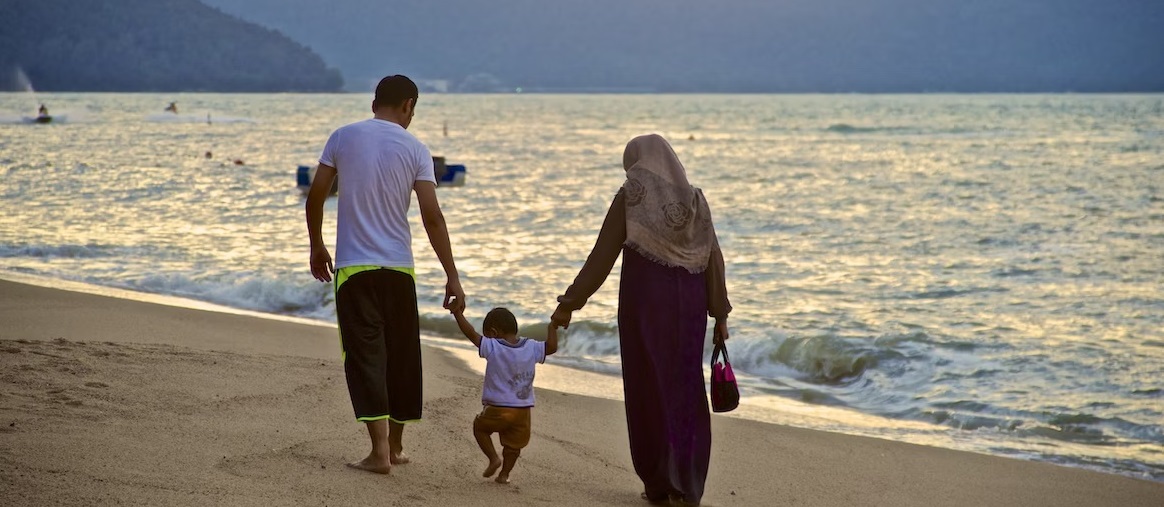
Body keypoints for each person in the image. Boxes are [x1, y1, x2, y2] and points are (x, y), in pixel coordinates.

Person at [550, 134, 731, 506]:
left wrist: (570, 303)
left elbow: (602, 255)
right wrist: (720, 314)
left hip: (645, 305)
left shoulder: (632, 195)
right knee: (685, 387)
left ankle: (660, 482)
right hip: (690, 309)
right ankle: (688, 482)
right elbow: (713, 257)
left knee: (648, 388)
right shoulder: (696, 200)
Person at [306, 74, 465, 475]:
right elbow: (432, 216)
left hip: (354, 269)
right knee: (401, 356)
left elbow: (316, 195)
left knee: (365, 356)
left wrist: (317, 245)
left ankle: (379, 451)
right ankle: (395, 447)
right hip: (399, 268)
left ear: (375, 102)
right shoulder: (416, 148)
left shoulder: (342, 136)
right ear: (408, 105)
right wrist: (452, 275)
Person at [450, 306, 558, 484]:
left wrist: (457, 313)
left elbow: (471, 333)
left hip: (498, 408)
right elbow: (552, 347)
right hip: (523, 411)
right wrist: (552, 327)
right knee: (513, 446)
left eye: (487, 334)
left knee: (480, 428)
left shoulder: (493, 346)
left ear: (493, 332)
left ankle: (493, 458)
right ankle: (504, 475)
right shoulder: (531, 347)